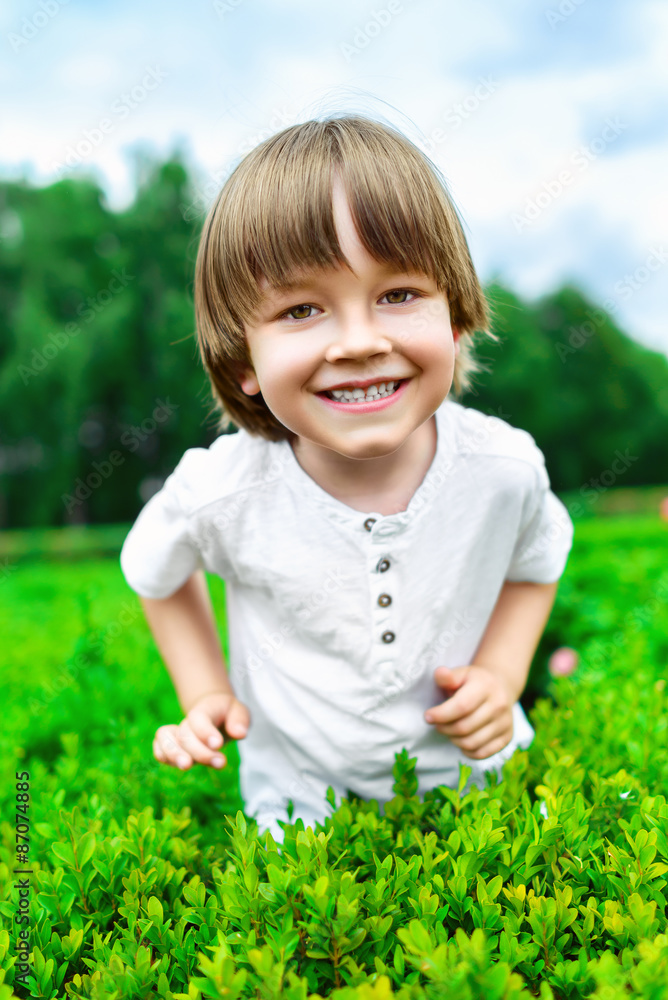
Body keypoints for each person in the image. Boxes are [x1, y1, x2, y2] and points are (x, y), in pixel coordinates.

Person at [119, 114, 574, 845]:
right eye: (301, 310)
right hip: (298, 795)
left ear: (455, 318)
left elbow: (537, 559)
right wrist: (205, 692)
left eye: (398, 294)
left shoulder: (504, 469)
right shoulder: (223, 490)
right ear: (244, 361)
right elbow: (156, 573)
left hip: (474, 776)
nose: (361, 342)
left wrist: (503, 673)